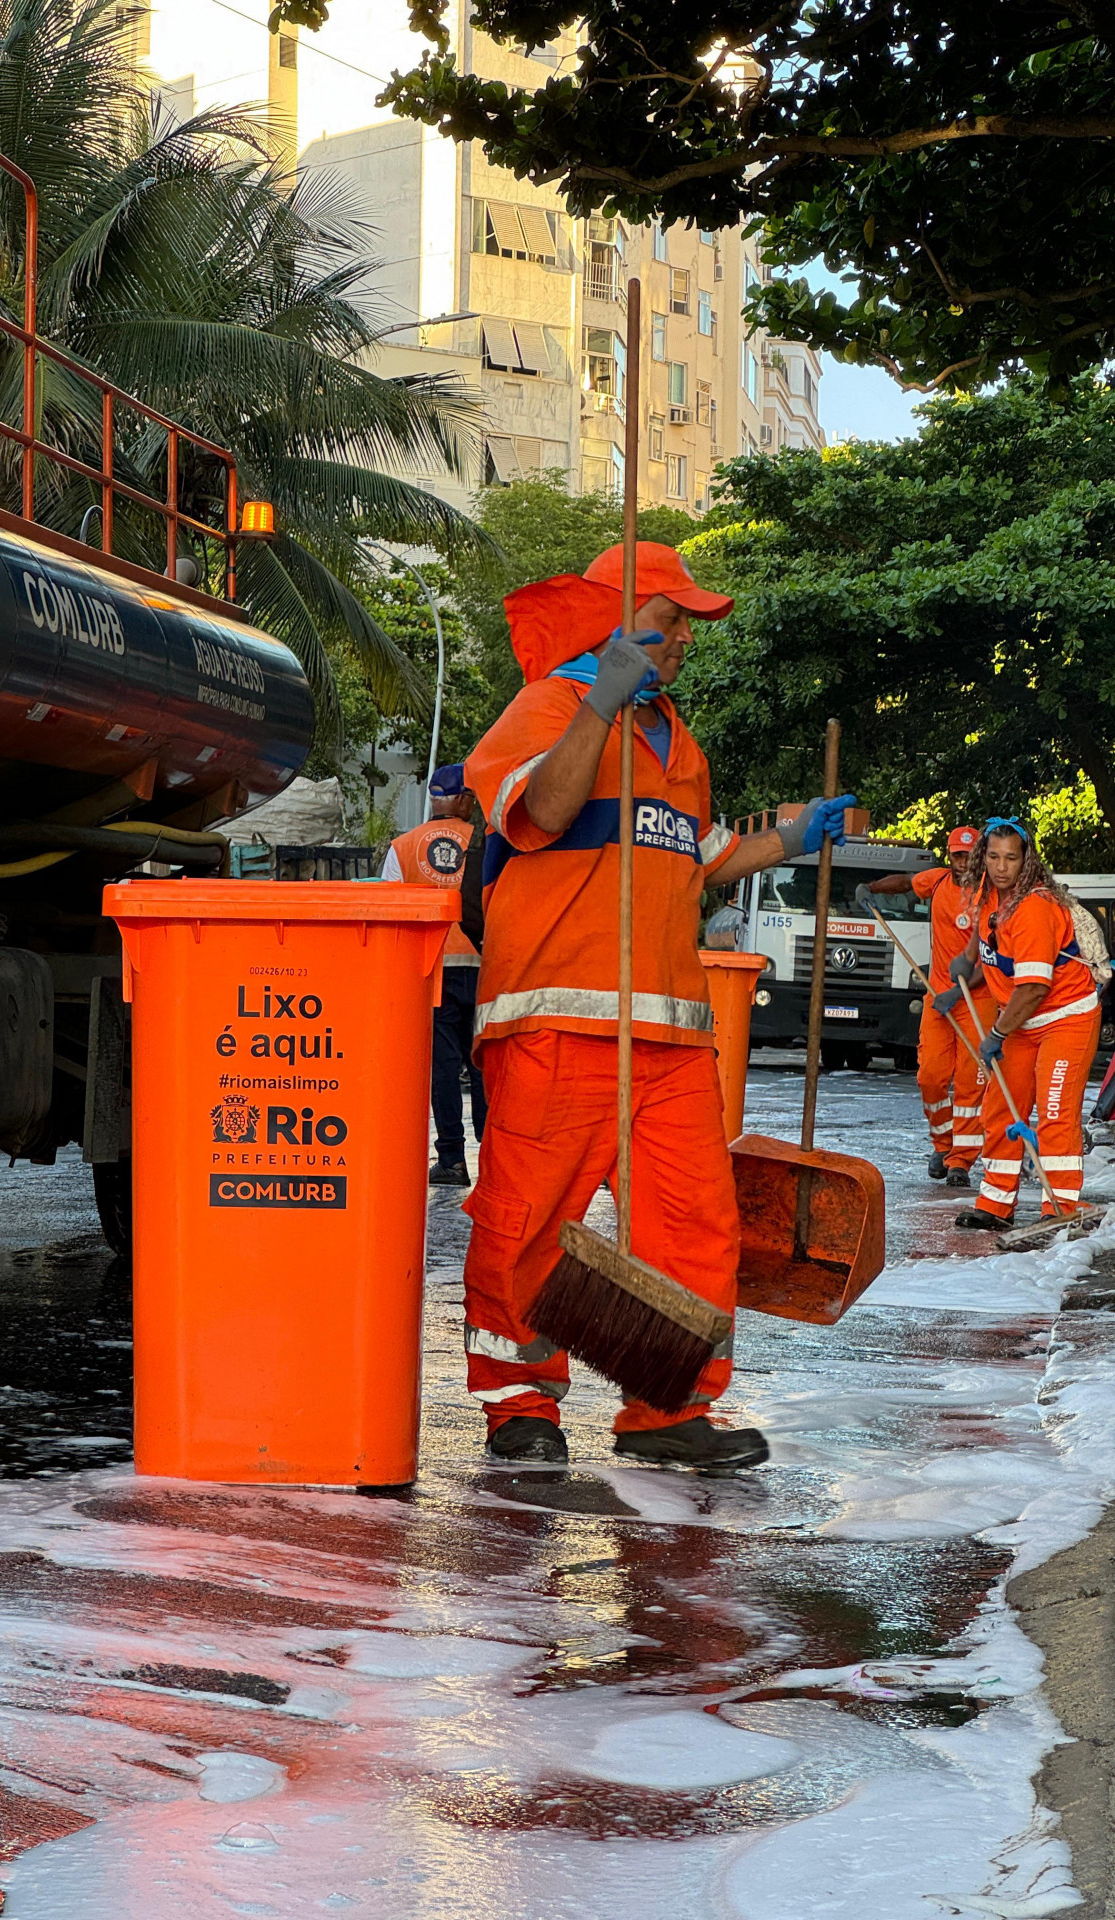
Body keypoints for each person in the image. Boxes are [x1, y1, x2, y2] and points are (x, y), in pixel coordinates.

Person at [460, 541, 857, 1467]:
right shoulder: (546, 708)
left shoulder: (681, 741)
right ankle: (521, 1404)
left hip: (669, 1031)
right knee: (526, 1222)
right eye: (671, 619)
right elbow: (542, 813)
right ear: (618, 621)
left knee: (694, 1225)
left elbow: (706, 858)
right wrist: (598, 700)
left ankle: (667, 1408)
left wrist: (797, 832)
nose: (684, 638)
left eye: (688, 623)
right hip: (555, 1020)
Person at [948, 818, 1099, 1230]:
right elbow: (994, 949)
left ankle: (1060, 1207)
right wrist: (967, 963)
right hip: (1020, 1022)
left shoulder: (1034, 908)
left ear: (1026, 860)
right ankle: (995, 1204)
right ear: (983, 857)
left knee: (1054, 1113)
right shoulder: (989, 897)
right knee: (999, 1109)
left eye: (1011, 858)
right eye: (994, 856)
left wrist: (996, 1033)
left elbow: (1033, 987)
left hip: (1064, 1018)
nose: (1001, 867)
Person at [859, 825, 994, 1189]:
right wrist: (871, 890)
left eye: (970, 855)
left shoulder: (991, 894)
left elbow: (994, 955)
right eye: (957, 855)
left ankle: (961, 1162)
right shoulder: (936, 883)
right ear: (949, 856)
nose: (964, 862)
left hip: (977, 999)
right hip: (938, 997)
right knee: (930, 1077)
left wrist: (963, 989)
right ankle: (943, 1144)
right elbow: (905, 882)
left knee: (970, 1084)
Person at [382, 766, 488, 1187]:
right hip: (483, 966)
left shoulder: (402, 847)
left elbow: (391, 912)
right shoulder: (483, 841)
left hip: (431, 968)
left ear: (433, 799)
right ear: (463, 800)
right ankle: (492, 1157)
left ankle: (452, 1160)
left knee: (443, 1069)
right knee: (482, 1066)